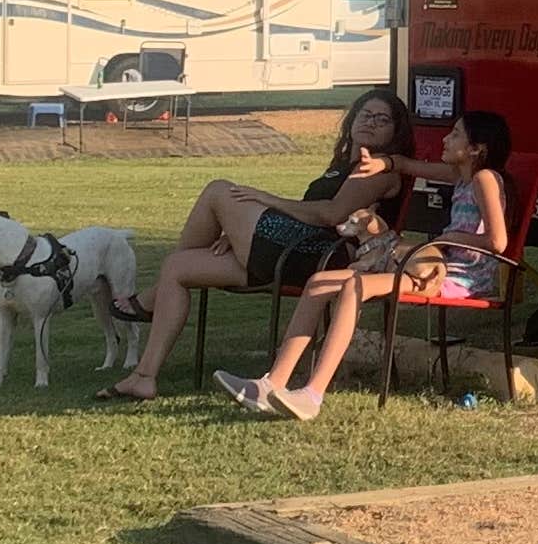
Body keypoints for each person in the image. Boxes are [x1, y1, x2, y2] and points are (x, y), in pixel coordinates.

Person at [95, 86, 417, 402]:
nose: (371, 122)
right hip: (290, 248)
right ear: (352, 119)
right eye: (366, 114)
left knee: (219, 191)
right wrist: (236, 232)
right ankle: (144, 377)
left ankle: (150, 300)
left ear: (395, 132)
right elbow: (312, 211)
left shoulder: (376, 170)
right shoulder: (341, 165)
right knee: (177, 268)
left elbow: (331, 214)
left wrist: (268, 201)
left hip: (321, 257)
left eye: (382, 119)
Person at [221, 109, 516, 421]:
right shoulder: (461, 176)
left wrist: (450, 237)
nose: (445, 138)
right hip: (431, 265)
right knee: (319, 282)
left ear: (476, 149)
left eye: (455, 134)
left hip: (460, 278)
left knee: (355, 285)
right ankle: (270, 384)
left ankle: (313, 394)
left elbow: (498, 243)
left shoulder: (484, 179)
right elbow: (405, 165)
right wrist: (383, 163)